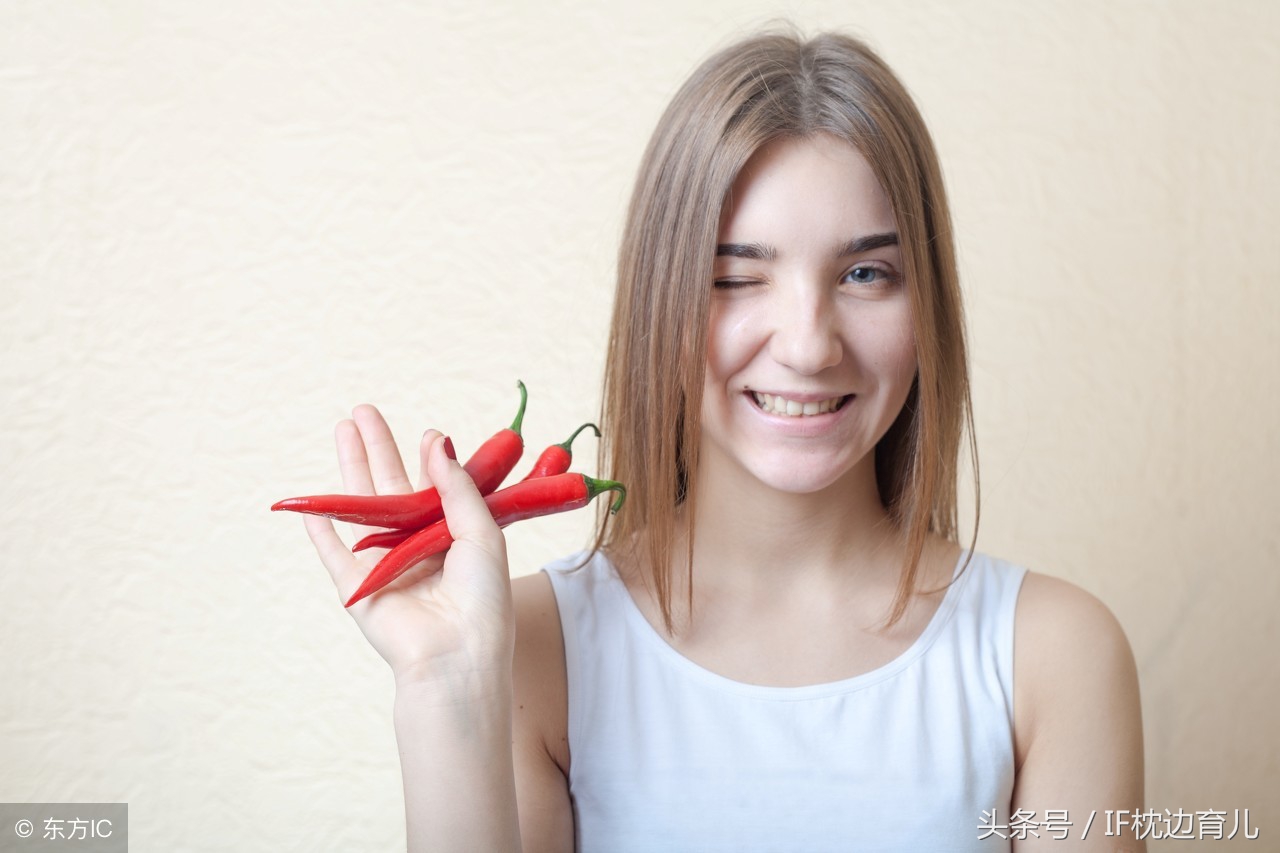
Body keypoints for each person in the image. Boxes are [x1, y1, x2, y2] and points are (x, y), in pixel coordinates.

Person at [301, 28, 1146, 852]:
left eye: (865, 273)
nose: (809, 344)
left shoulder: (1054, 654)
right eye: (736, 277)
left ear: (927, 305)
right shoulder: (528, 653)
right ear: (658, 302)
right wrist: (444, 691)